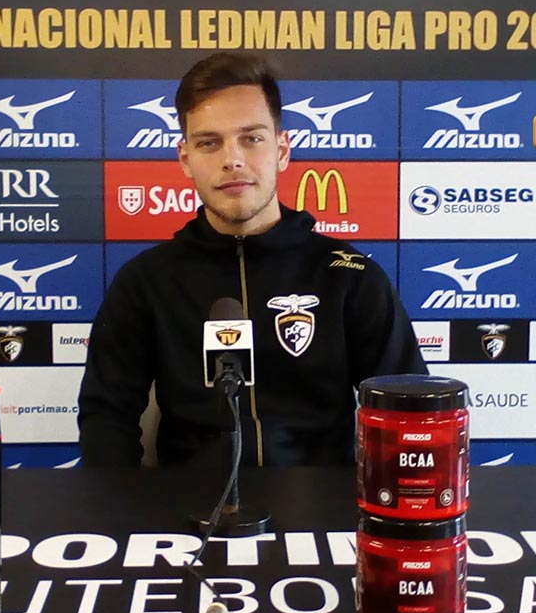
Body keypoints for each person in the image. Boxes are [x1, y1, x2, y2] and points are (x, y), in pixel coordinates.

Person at [78, 52, 424, 468]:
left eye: (251, 138)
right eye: (209, 143)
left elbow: (410, 414)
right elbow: (106, 418)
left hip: (322, 501)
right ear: (186, 160)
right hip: (188, 503)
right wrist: (122, 503)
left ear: (282, 150)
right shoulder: (145, 281)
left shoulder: (350, 276)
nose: (232, 159)